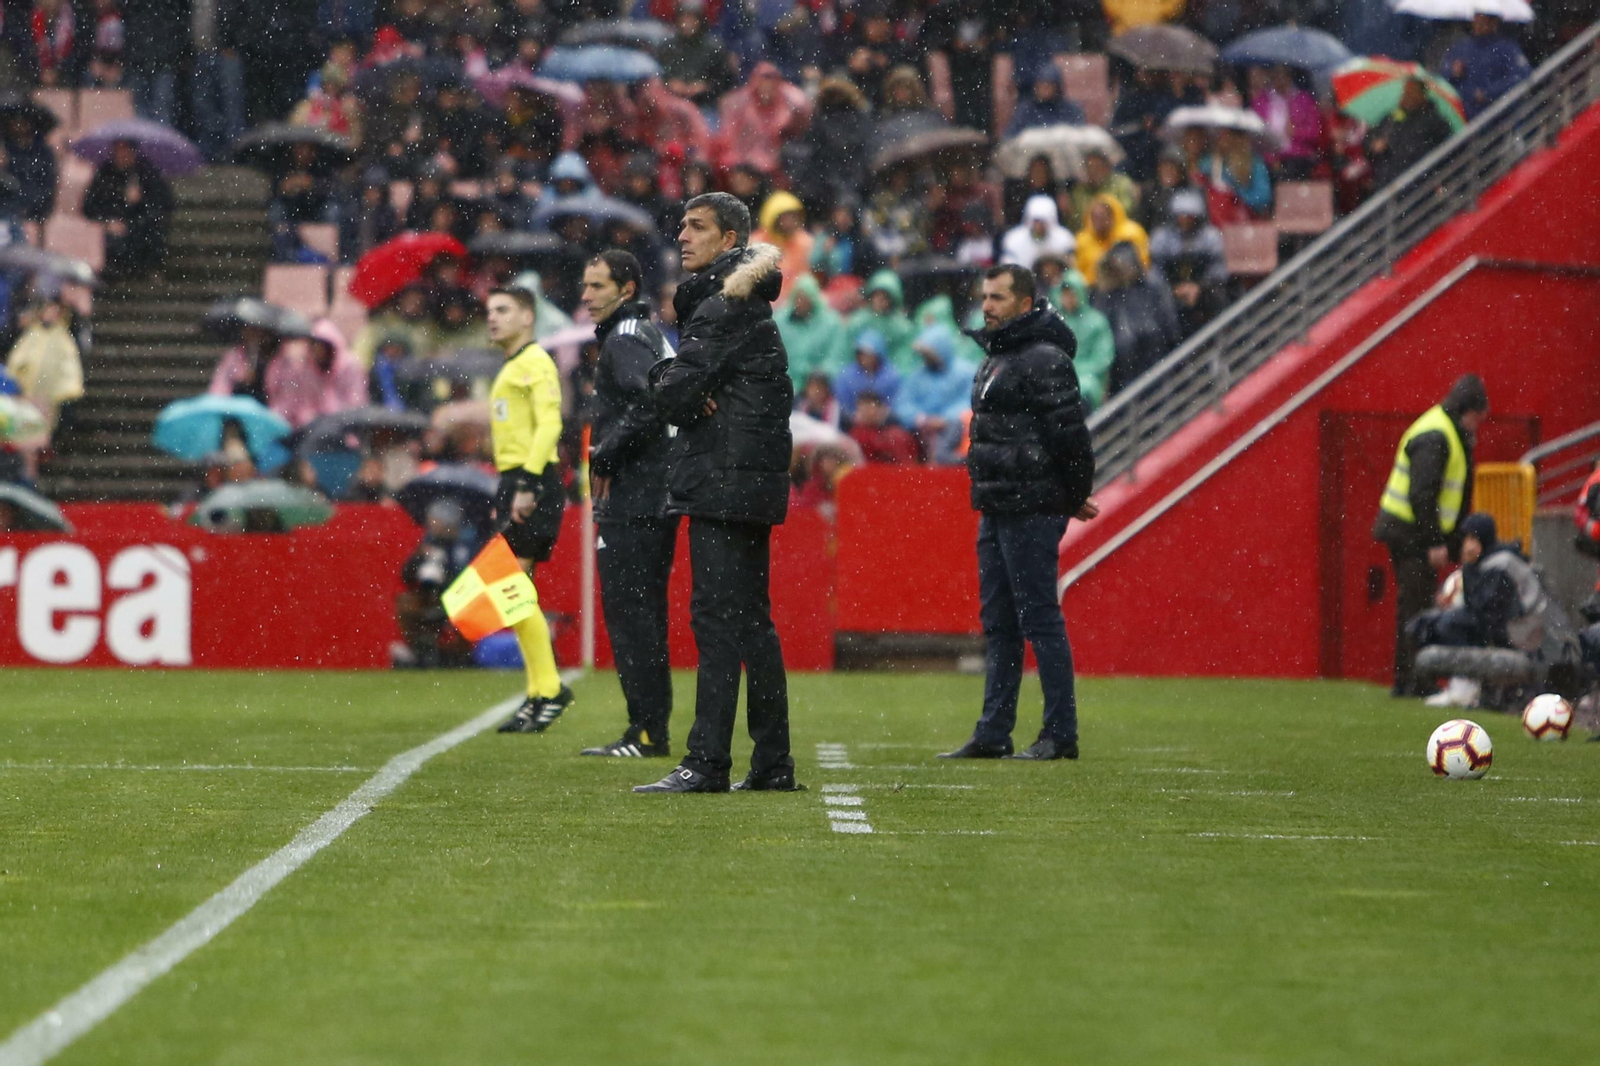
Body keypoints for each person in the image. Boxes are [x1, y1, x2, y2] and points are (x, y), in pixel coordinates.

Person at [636, 192, 796, 794]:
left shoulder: (723, 305)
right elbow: (687, 387)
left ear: (730, 240)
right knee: (752, 621)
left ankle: (706, 762)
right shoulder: (745, 303)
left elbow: (675, 391)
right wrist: (681, 383)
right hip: (744, 479)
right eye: (680, 226)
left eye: (697, 227)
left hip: (722, 479)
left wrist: (664, 375)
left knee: (717, 620)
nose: (682, 236)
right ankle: (773, 763)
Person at [941, 264, 1096, 761]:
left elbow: (1071, 438)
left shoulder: (1043, 358)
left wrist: (1071, 495)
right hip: (998, 503)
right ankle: (993, 731)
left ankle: (1059, 734)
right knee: (1001, 621)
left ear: (1025, 304)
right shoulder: (1002, 356)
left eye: (999, 298)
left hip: (1029, 505)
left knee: (1038, 618)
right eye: (985, 297)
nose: (986, 306)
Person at [580, 249, 679, 760]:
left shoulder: (623, 341)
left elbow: (650, 402)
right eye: (586, 286)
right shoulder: (646, 333)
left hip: (636, 498)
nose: (586, 295)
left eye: (597, 286)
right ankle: (649, 727)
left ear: (626, 288)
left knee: (630, 613)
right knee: (644, 613)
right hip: (654, 493)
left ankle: (645, 730)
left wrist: (606, 452)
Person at [484, 286, 574, 734]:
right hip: (517, 480)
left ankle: (548, 689)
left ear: (527, 317)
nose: (493, 318)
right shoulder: (515, 366)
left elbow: (550, 423)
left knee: (511, 588)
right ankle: (541, 691)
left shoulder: (535, 362)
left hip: (530, 481)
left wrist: (526, 483)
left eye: (503, 310)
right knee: (513, 592)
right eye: (489, 311)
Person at [1372, 374, 1490, 698]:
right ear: (1469, 410)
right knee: (1416, 605)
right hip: (1412, 533)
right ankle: (1412, 680)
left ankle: (1412, 677)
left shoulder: (1441, 429)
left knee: (1417, 603)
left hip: (1408, 531)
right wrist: (1435, 541)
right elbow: (1423, 496)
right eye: (1478, 418)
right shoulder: (1438, 435)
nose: (1478, 426)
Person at [83, 139, 173, 281]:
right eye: (118, 151)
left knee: (152, 232)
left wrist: (140, 201)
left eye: (126, 151)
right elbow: (89, 206)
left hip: (141, 225)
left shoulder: (147, 172)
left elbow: (164, 203)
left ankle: (148, 270)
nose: (122, 155)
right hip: (113, 225)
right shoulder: (105, 173)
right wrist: (108, 221)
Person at [1148, 189, 1228, 338]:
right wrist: (1172, 289)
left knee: (1218, 297)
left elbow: (1219, 271)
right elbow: (1155, 273)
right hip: (1171, 288)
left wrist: (1198, 286)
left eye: (1189, 216)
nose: (1184, 220)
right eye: (1181, 215)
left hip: (1203, 288)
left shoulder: (1210, 237)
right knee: (1159, 305)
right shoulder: (1162, 238)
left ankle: (1218, 339)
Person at [894, 324, 975, 465]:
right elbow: (903, 403)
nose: (925, 358)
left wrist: (945, 419)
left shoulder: (965, 372)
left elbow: (970, 401)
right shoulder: (917, 376)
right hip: (921, 430)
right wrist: (921, 419)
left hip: (955, 430)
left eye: (929, 353)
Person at [1366, 76, 1455, 189]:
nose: (1407, 95)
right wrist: (1373, 145)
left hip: (1418, 187)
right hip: (1387, 185)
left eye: (1412, 92)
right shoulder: (1392, 117)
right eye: (1406, 91)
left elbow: (1448, 150)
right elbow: (1369, 139)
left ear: (1422, 95)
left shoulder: (1434, 121)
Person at [1442, 12, 1531, 120]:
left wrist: (1488, 93)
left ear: (1494, 23)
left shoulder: (1507, 47)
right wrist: (1453, 73)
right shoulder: (1462, 47)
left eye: (1483, 21)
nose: (1478, 25)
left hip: (1499, 116)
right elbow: (1441, 77)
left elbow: (1520, 76)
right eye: (1476, 20)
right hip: (1465, 117)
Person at [1052, 269, 1114, 411]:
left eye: (1072, 293)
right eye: (1065, 294)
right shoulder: (1055, 325)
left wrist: (1078, 371)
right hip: (1061, 380)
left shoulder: (1097, 322)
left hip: (1090, 381)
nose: (1068, 298)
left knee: (1082, 391)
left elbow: (1103, 358)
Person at [1074, 193, 1149, 284]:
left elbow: (1143, 264)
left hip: (1127, 286)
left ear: (1113, 215)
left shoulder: (1131, 233)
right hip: (1093, 290)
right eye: (1094, 217)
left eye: (1102, 216)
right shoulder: (1082, 240)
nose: (1098, 222)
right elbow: (1078, 273)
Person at [834, 329, 901, 423]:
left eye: (869, 354)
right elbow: (842, 404)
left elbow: (896, 402)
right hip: (854, 422)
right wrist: (857, 415)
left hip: (883, 423)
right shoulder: (846, 376)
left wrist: (880, 414)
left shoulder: (892, 376)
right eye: (862, 354)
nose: (865, 358)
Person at [1000, 194, 1076, 270]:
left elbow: (1070, 268)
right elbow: (1007, 267)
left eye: (1043, 222)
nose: (1039, 226)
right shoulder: (1014, 240)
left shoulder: (1064, 239)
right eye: (1036, 221)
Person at [849, 390, 920, 464]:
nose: (866, 413)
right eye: (862, 409)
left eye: (869, 408)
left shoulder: (897, 435)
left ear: (882, 410)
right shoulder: (854, 435)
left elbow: (909, 464)